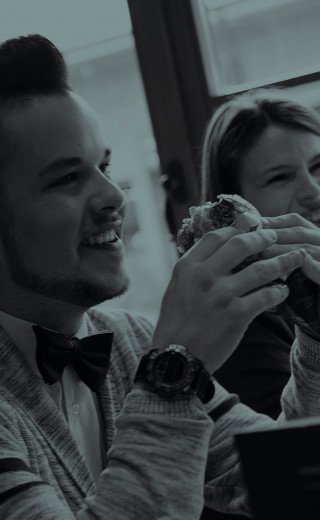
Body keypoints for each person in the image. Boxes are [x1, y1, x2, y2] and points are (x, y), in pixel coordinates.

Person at [0, 34, 320, 520]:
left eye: (103, 166)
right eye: (67, 178)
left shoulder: (129, 341)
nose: (114, 196)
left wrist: (316, 329)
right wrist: (174, 372)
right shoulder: (157, 360)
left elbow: (289, 482)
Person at [201, 88, 320, 419]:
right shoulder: (237, 325)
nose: (314, 191)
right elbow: (292, 457)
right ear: (233, 208)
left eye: (318, 165)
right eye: (280, 177)